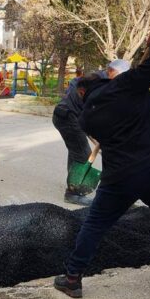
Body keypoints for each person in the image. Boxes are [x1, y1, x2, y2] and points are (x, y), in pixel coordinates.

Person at [54, 34, 150, 299]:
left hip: (122, 175)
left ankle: (72, 279)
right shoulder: (127, 85)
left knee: (95, 224)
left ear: (83, 92)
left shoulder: (86, 118)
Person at [52, 60, 132, 205]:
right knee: (83, 154)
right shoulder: (97, 81)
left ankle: (74, 181)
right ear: (112, 71)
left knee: (76, 151)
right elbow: (76, 85)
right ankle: (73, 194)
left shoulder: (107, 82)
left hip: (72, 116)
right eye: (121, 76)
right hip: (67, 116)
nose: (123, 80)